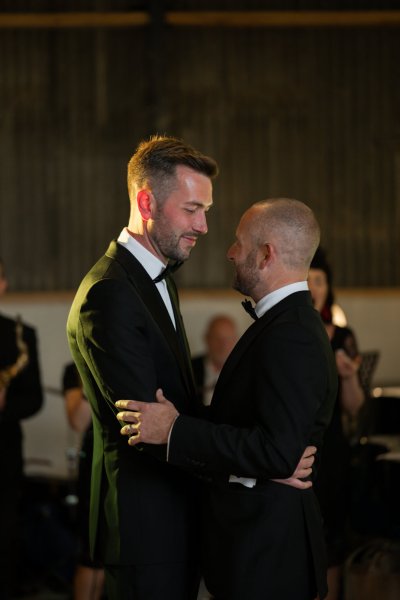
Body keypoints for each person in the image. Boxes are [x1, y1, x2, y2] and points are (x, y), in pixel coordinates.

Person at [116, 198, 338, 600]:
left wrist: (175, 430)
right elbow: (265, 441)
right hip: (256, 549)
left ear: (266, 253)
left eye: (239, 242)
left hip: (268, 559)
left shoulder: (291, 334)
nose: (230, 252)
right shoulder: (283, 323)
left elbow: (277, 453)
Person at [66, 135, 219, 600]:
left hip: (170, 521)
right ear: (146, 201)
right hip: (146, 529)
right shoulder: (109, 292)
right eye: (192, 209)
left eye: (206, 210)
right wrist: (257, 457)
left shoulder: (157, 281)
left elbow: (178, 411)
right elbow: (150, 428)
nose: (205, 225)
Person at [308, 247, 365, 600]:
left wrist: (348, 378)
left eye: (319, 280)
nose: (313, 287)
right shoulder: (289, 330)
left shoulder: (343, 337)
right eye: (307, 280)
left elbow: (354, 407)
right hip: (298, 446)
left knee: (331, 538)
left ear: (329, 287)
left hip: (332, 451)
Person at [0, 257, 43, 599]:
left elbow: (34, 400)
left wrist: (4, 407)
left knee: (6, 536)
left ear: (3, 285)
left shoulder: (22, 336)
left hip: (4, 458)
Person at [62, 362, 105, 600]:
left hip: (128, 463)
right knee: (91, 553)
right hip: (94, 465)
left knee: (108, 556)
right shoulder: (75, 368)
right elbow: (78, 421)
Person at [191, 315, 238, 406]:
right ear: (207, 339)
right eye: (217, 339)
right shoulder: (189, 369)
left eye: (228, 340)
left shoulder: (243, 370)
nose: (223, 346)